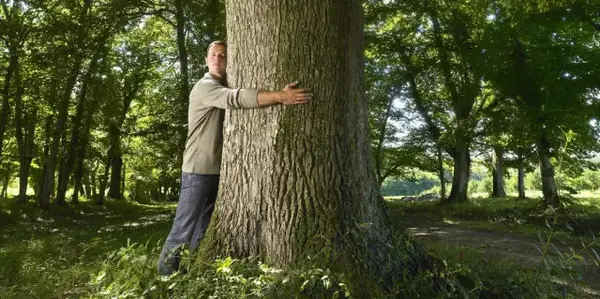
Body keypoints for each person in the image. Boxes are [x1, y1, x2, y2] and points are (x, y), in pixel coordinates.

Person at [157, 41, 311, 275]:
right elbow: (234, 98)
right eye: (213, 55)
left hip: (217, 171)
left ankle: (193, 273)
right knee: (183, 228)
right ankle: (164, 279)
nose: (217, 58)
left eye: (222, 55)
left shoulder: (220, 83)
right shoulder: (205, 87)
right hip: (197, 171)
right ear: (206, 60)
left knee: (204, 229)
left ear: (229, 60)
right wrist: (280, 96)